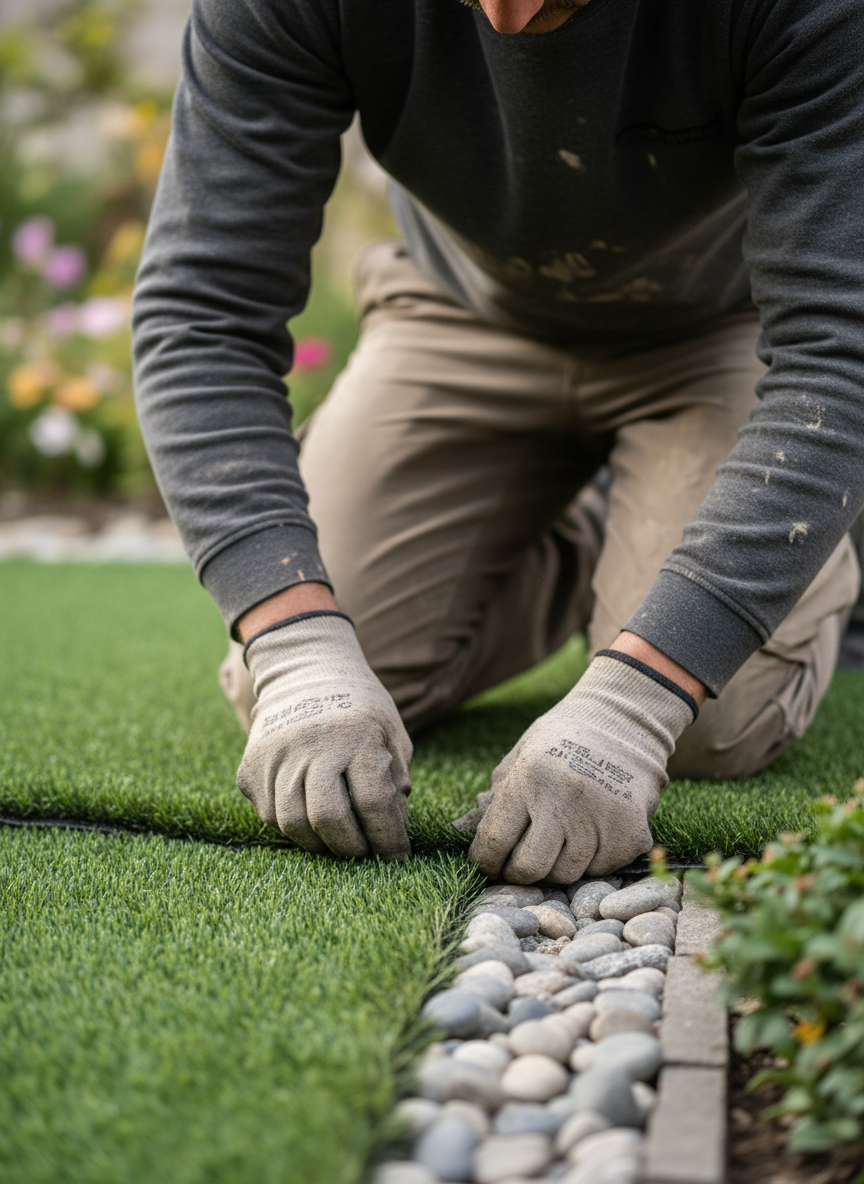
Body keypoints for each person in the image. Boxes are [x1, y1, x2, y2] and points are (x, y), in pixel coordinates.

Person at [133, 0, 864, 884]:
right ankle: (606, 540)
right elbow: (201, 314)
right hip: (464, 313)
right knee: (291, 690)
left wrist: (635, 704)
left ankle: (689, 557)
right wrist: (296, 646)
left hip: (725, 327)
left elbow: (839, 355)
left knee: (712, 723)